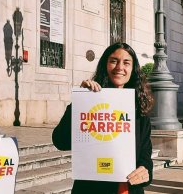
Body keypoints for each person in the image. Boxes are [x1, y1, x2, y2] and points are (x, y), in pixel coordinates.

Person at [52, 42, 154, 194]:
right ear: (105, 65)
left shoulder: (139, 112)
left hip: (128, 190)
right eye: (113, 61)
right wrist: (81, 104)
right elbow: (60, 141)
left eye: (126, 63)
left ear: (133, 70)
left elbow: (145, 155)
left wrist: (145, 171)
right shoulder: (89, 101)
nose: (120, 67)